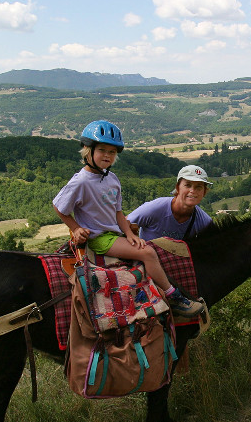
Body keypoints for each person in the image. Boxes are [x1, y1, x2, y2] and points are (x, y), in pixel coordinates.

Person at [52, 120, 204, 318]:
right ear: (87, 150)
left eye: (112, 152)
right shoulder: (80, 181)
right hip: (99, 238)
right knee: (148, 253)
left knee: (143, 247)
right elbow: (59, 206)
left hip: (115, 233)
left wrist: (128, 233)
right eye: (102, 150)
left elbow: (118, 213)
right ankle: (173, 296)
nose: (107, 155)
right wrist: (76, 228)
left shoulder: (112, 179)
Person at [127, 164, 213, 242]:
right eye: (188, 185)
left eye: (199, 187)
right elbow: (123, 224)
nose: (192, 191)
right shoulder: (155, 208)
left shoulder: (204, 221)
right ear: (178, 188)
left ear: (204, 192)